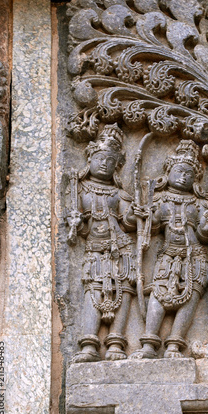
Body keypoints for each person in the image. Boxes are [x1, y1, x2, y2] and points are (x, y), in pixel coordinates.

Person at [131, 139, 208, 359]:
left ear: (196, 180)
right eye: (179, 171)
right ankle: (149, 343)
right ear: (168, 172)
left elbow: (202, 234)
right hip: (168, 255)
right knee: (158, 296)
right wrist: (146, 217)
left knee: (190, 300)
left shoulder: (198, 204)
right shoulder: (159, 199)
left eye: (189, 174)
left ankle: (174, 345)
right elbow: (154, 226)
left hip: (194, 257)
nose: (183, 176)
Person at [67, 124, 137, 362]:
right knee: (93, 290)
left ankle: (116, 342)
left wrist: (135, 214)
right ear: (90, 159)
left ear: (117, 165)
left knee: (124, 289)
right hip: (95, 248)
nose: (104, 164)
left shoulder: (118, 193)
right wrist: (76, 223)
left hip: (121, 248)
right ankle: (89, 344)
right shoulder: (80, 188)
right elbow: (82, 227)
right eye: (100, 158)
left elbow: (128, 223)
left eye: (110, 160)